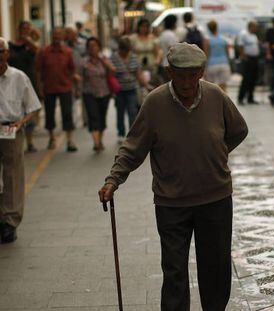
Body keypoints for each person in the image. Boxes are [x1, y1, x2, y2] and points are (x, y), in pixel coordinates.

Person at [98, 42, 248, 310]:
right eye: (181, 75)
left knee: (215, 267)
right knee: (174, 270)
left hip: (215, 198)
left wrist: (215, 154)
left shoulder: (216, 96)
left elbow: (238, 130)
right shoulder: (155, 103)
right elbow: (133, 147)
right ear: (169, 72)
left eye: (193, 74)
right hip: (172, 202)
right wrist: (113, 180)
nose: (187, 82)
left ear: (202, 72)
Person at [0, 37, 41, 243]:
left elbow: (33, 107)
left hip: (11, 129)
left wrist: (21, 122)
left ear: (7, 54)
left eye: (1, 52)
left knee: (12, 175)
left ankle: (10, 221)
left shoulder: (18, 77)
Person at [36, 27, 78, 152]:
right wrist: (40, 88)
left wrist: (71, 84)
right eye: (54, 35)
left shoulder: (67, 52)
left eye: (59, 35)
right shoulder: (44, 52)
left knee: (67, 114)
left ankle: (70, 140)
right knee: (49, 114)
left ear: (62, 37)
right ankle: (51, 138)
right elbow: (38, 71)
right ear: (51, 36)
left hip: (65, 87)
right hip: (49, 87)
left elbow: (72, 69)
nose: (56, 37)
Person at [8, 21, 39, 153]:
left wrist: (28, 40)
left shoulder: (30, 46)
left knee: (29, 112)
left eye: (28, 28)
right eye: (23, 28)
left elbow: (37, 52)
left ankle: (29, 140)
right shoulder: (10, 46)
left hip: (28, 83)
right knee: (13, 111)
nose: (25, 30)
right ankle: (10, 141)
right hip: (12, 83)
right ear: (18, 29)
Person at [111, 36, 149, 143]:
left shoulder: (133, 57)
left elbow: (138, 73)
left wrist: (146, 85)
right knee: (120, 112)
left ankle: (132, 134)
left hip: (132, 89)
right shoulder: (114, 57)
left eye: (128, 50)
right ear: (120, 49)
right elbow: (111, 74)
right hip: (119, 90)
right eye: (124, 50)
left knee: (133, 112)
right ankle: (121, 133)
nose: (126, 53)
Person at [80, 37, 114, 153]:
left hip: (104, 93)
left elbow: (113, 70)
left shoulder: (104, 59)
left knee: (101, 117)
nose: (93, 48)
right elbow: (80, 77)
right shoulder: (84, 62)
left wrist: (103, 61)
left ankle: (100, 140)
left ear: (99, 47)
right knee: (93, 117)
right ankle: (96, 143)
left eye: (95, 46)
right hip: (89, 93)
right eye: (90, 46)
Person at [129, 18, 161, 86]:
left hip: (151, 66)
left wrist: (157, 61)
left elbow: (158, 52)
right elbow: (130, 52)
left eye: (146, 26)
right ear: (138, 27)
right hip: (137, 67)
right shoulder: (133, 38)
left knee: (152, 86)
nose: (144, 28)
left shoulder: (153, 38)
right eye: (142, 26)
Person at [237, 21, 260, 105]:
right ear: (250, 26)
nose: (256, 29)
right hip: (248, 59)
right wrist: (243, 56)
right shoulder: (244, 34)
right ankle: (241, 98)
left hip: (255, 59)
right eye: (255, 27)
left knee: (253, 79)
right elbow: (240, 46)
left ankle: (250, 98)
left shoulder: (254, 35)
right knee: (246, 79)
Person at [204, 20, 231, 92]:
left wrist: (204, 68)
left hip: (212, 65)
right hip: (224, 64)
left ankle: (212, 102)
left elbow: (206, 54)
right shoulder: (223, 38)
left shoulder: (207, 39)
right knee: (223, 88)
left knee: (210, 87)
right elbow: (227, 53)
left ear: (209, 28)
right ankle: (222, 102)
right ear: (217, 27)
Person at [158, 15, 179, 82]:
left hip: (163, 63)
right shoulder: (171, 35)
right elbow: (173, 51)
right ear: (173, 23)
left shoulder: (162, 34)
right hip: (170, 65)